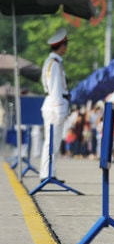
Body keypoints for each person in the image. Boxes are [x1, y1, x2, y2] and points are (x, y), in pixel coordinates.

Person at [39, 28, 70, 181]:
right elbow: (55, 88)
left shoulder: (53, 62)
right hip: (54, 105)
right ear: (61, 46)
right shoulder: (54, 64)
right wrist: (59, 111)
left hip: (53, 104)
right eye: (66, 44)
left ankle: (50, 172)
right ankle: (46, 174)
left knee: (53, 141)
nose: (66, 48)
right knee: (51, 141)